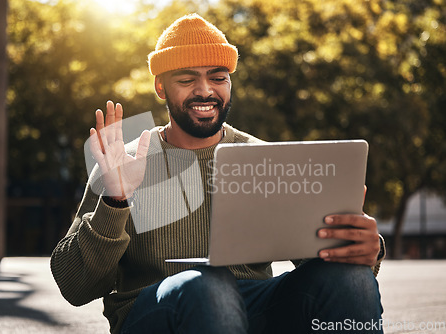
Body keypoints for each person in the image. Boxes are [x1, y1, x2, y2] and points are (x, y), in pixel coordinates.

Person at [51, 13, 385, 334]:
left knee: (350, 278)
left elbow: (323, 262)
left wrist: (359, 247)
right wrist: (115, 200)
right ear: (161, 87)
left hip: (251, 308)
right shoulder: (119, 166)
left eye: (218, 77)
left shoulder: (264, 160)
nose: (205, 91)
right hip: (156, 314)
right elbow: (75, 286)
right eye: (187, 79)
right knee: (209, 284)